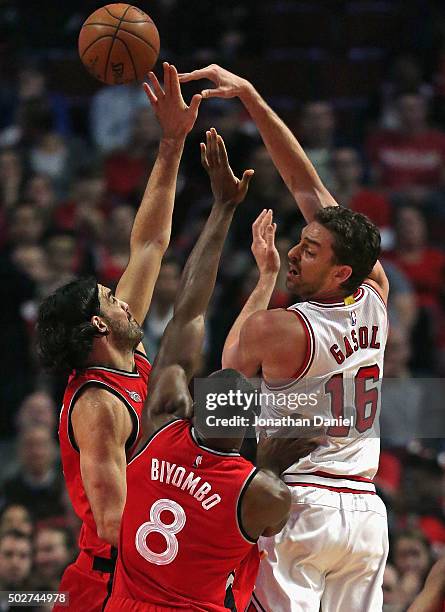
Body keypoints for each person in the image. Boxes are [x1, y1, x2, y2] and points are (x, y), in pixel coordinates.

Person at [180, 64, 389, 611]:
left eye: (310, 251)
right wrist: (250, 93)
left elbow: (226, 375)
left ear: (343, 271)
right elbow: (307, 184)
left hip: (301, 506)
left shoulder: (284, 329)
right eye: (299, 243)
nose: (296, 251)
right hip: (366, 516)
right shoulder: (376, 293)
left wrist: (265, 276)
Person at [105, 129, 321, 612]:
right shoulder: (262, 490)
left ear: (196, 408)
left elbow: (188, 313)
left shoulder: (161, 425)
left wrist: (222, 208)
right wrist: (273, 464)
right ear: (246, 432)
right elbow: (265, 512)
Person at [36, 62, 201, 612]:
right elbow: (111, 522)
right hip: (110, 584)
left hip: (146, 570)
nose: (124, 299)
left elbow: (151, 242)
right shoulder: (99, 405)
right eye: (111, 298)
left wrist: (172, 143)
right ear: (100, 326)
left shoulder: (125, 357)